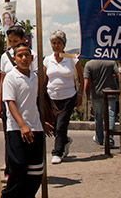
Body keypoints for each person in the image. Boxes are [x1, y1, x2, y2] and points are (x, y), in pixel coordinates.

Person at [1, 45, 52, 198]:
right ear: (15, 59)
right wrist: (22, 125)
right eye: (20, 55)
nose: (24, 59)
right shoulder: (11, 77)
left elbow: (34, 102)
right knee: (18, 168)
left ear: (31, 58)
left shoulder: (35, 78)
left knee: (36, 172)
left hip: (35, 128)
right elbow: (10, 103)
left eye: (27, 55)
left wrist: (42, 121)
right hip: (17, 129)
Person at [0, 23, 36, 179]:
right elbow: (2, 79)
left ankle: (28, 167)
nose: (13, 44)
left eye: (15, 41)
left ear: (23, 40)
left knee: (29, 135)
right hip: (9, 101)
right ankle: (10, 169)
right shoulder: (5, 57)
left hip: (27, 102)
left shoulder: (31, 55)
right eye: (10, 41)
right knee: (10, 136)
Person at [43, 30, 83, 164]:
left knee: (61, 125)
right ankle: (65, 141)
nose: (56, 46)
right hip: (52, 97)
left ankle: (57, 152)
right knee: (54, 125)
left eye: (59, 43)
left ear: (64, 44)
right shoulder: (47, 60)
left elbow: (81, 78)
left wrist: (80, 94)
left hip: (68, 97)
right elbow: (44, 79)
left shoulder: (72, 58)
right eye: (53, 43)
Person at [84, 59, 119, 147]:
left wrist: (84, 95)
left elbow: (86, 82)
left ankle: (99, 139)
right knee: (111, 116)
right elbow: (119, 75)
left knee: (98, 117)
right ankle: (110, 140)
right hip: (110, 93)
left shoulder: (89, 64)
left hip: (96, 94)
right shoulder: (111, 63)